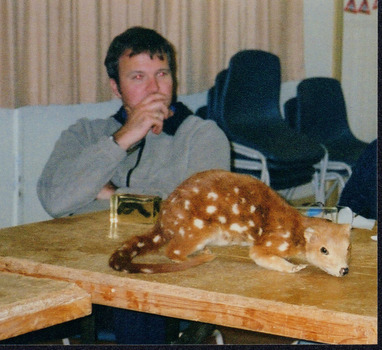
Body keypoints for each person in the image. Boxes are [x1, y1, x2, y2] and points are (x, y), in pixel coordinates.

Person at [37, 26, 230, 344]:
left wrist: (110, 195)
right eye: (138, 77)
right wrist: (123, 138)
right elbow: (56, 201)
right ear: (116, 88)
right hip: (86, 269)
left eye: (162, 74)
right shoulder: (86, 134)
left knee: (134, 294)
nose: (155, 88)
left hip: (165, 278)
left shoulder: (202, 136)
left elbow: (194, 220)